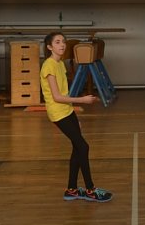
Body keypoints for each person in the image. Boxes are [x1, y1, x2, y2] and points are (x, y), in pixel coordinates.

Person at [40, 32, 113, 202]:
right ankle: (90, 190)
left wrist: (74, 114)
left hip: (66, 111)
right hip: (57, 113)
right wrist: (82, 100)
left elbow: (63, 94)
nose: (62, 45)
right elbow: (56, 97)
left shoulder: (60, 64)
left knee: (77, 147)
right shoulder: (49, 66)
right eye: (57, 42)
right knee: (83, 147)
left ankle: (72, 189)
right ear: (50, 47)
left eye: (63, 42)